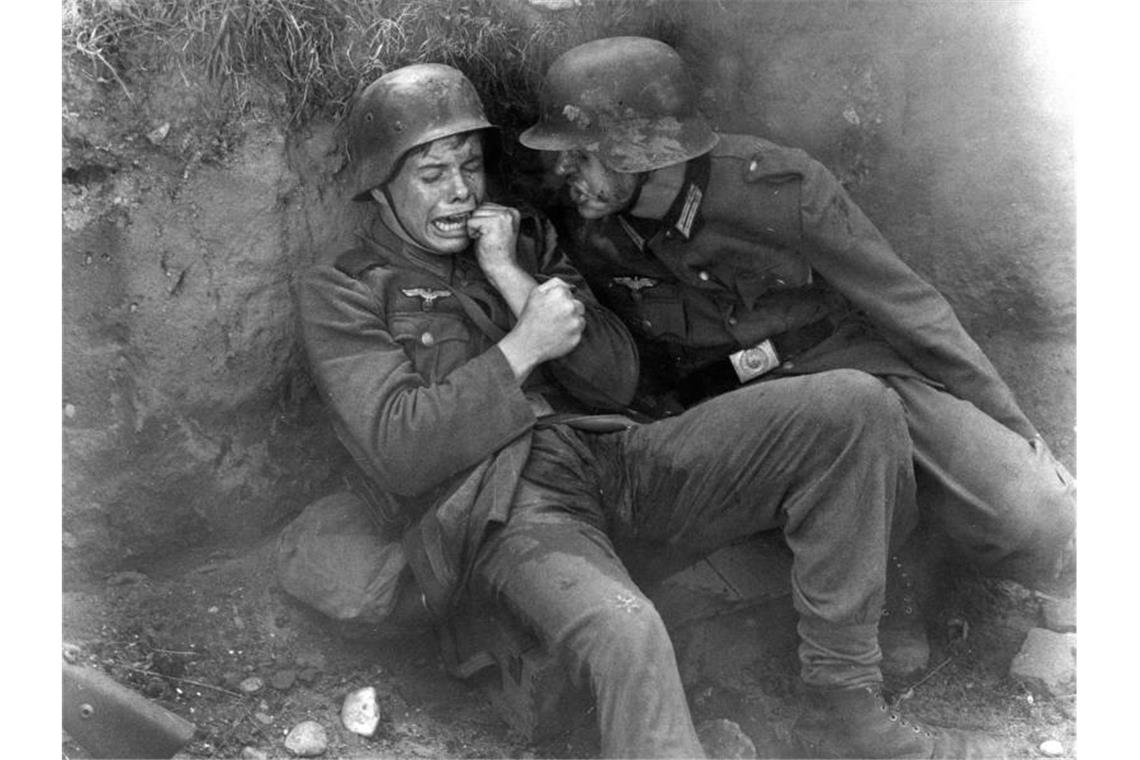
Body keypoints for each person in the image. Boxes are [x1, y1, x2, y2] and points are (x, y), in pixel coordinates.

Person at [294, 62, 1001, 758]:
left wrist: (511, 277)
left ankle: (843, 712)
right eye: (431, 174)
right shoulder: (346, 291)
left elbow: (615, 381)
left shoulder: (523, 242)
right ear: (380, 188)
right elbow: (399, 448)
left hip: (615, 459)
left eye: (470, 167)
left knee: (855, 406)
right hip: (505, 509)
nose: (459, 191)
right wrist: (520, 348)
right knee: (629, 633)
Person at [520, 32, 1076, 694]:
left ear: (637, 148)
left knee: (1033, 512)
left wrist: (1014, 426)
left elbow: (911, 309)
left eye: (580, 157)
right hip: (756, 415)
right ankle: (895, 589)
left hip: (863, 371)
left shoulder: (779, 187)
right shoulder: (590, 231)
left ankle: (944, 556)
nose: (563, 174)